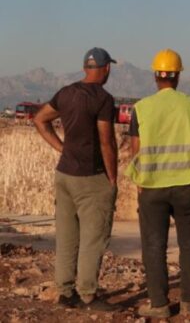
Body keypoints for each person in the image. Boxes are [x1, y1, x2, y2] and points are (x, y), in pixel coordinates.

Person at [125, 48, 190, 318]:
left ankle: (159, 305)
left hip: (152, 187)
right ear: (178, 76)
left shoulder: (142, 108)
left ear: (156, 76)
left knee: (154, 245)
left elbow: (136, 151)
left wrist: (140, 185)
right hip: (187, 185)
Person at [33, 47, 120, 311]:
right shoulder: (104, 99)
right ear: (106, 69)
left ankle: (65, 292)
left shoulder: (66, 92)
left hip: (64, 174)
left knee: (67, 237)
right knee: (93, 239)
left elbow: (40, 120)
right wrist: (113, 180)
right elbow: (106, 142)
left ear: (85, 68)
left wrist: (61, 148)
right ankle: (88, 295)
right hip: (90, 177)